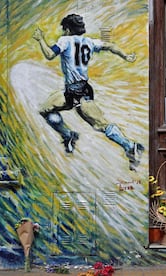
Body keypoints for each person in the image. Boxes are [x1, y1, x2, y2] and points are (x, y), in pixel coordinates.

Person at [32, 14, 144, 171]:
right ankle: (68, 135)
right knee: (45, 108)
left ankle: (130, 146)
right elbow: (110, 46)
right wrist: (125, 55)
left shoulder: (66, 40)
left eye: (64, 29)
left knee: (100, 124)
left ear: (68, 29)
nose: (63, 32)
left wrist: (40, 39)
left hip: (78, 92)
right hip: (75, 90)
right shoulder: (90, 42)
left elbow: (50, 55)